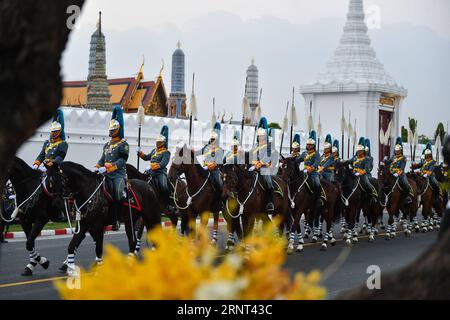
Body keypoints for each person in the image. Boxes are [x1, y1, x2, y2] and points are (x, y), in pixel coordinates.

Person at [95, 106, 129, 231]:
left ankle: (117, 219)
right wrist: (97, 166)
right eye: (110, 129)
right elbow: (102, 158)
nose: (111, 131)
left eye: (113, 129)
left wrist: (109, 168)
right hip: (105, 174)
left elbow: (121, 161)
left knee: (118, 193)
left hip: (117, 175)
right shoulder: (107, 144)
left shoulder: (123, 144)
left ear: (118, 130)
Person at [137, 125, 171, 201]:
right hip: (151, 172)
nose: (158, 143)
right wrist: (140, 153)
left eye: (159, 142)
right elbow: (146, 157)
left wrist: (153, 166)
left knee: (163, 186)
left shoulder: (166, 152)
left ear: (163, 142)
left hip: (160, 173)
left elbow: (163, 164)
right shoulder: (154, 151)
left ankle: (168, 202)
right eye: (157, 142)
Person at [249, 117, 275, 212]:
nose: (260, 137)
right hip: (255, 167)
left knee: (269, 183)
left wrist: (260, 163)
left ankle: (270, 202)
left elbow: (268, 157)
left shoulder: (268, 146)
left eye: (262, 136)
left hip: (264, 168)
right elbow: (251, 155)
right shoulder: (255, 146)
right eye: (259, 136)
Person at [194, 122, 224, 196]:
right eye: (211, 139)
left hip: (214, 170)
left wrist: (212, 166)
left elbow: (218, 162)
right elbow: (198, 152)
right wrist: (191, 151)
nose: (211, 140)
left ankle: (220, 198)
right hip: (205, 167)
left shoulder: (219, 149)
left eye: (213, 139)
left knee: (218, 183)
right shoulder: (206, 147)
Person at [382, 137, 413, 203]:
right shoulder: (393, 157)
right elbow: (388, 162)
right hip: (391, 173)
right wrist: (385, 160)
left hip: (400, 174)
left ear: (401, 151)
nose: (397, 152)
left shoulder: (403, 158)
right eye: (396, 151)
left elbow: (402, 168)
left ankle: (407, 197)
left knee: (405, 184)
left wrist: (397, 174)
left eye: (398, 151)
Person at [294, 131, 322, 203]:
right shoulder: (304, 153)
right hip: (304, 170)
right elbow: (298, 160)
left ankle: (319, 198)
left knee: (317, 183)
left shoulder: (316, 154)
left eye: (310, 145)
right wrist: (290, 160)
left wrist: (312, 167)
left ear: (313, 145)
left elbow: (317, 162)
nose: (308, 146)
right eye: (308, 144)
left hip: (313, 172)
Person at [351, 137, 378, 202]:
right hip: (355, 174)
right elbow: (352, 163)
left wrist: (361, 172)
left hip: (365, 174)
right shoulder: (355, 158)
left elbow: (369, 168)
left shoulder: (369, 158)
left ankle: (372, 195)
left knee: (367, 183)